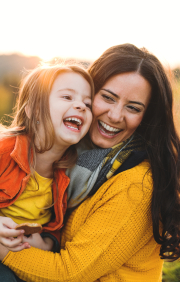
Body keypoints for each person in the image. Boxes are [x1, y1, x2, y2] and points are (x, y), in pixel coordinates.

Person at [0, 43, 180, 282]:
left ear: (147, 118)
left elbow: (70, 272)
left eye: (133, 108)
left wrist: (9, 248)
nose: (115, 116)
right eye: (107, 97)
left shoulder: (136, 184)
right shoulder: (70, 160)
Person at [0, 63, 94, 279]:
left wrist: (44, 243)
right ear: (33, 109)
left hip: (25, 256)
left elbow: (54, 226)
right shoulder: (5, 150)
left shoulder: (68, 173)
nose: (80, 105)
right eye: (67, 97)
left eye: (87, 103)